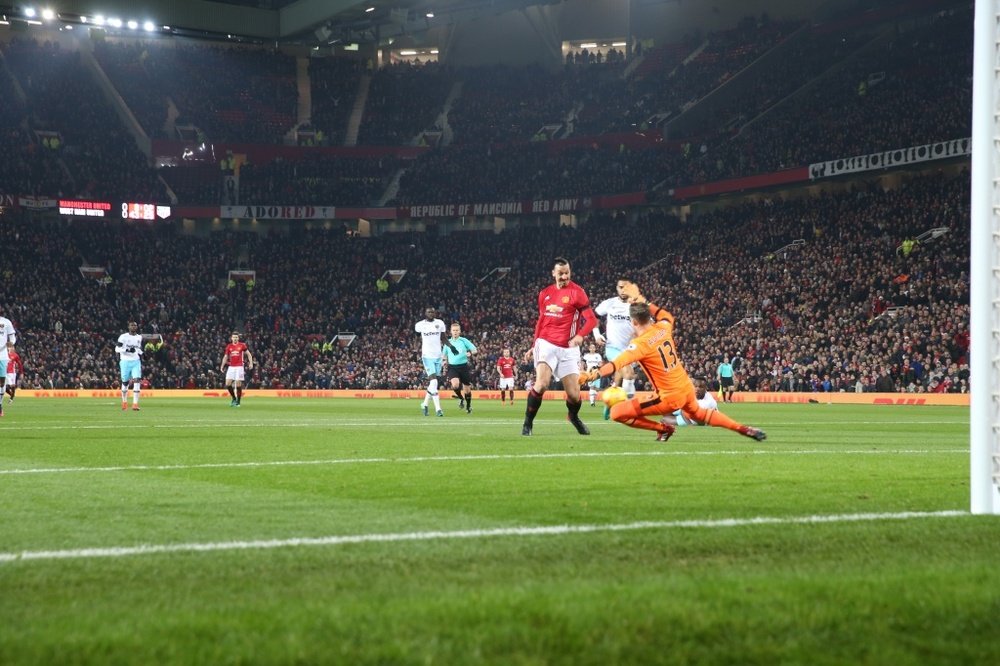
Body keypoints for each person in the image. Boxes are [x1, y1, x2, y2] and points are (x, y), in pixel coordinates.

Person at [579, 284, 766, 442]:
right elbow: (666, 314)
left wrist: (592, 374)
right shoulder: (663, 327)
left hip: (668, 397)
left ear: (634, 322)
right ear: (649, 317)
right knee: (701, 415)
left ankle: (663, 428)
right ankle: (742, 428)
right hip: (686, 387)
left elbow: (616, 364)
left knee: (617, 413)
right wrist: (641, 299)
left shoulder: (640, 344)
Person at [522, 257, 597, 436]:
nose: (564, 276)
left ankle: (573, 416)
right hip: (546, 343)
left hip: (569, 348)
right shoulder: (544, 294)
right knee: (541, 384)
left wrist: (580, 335)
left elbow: (592, 320)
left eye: (567, 273)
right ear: (553, 273)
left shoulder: (577, 292)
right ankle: (527, 424)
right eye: (561, 273)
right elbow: (541, 321)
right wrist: (534, 345)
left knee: (574, 394)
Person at [594, 278, 638, 418]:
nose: (623, 290)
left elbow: (647, 326)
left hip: (631, 349)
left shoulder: (637, 305)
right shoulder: (609, 303)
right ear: (617, 288)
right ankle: (628, 410)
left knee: (618, 381)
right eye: (620, 287)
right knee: (629, 374)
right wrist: (596, 334)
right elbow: (593, 316)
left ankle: (609, 405)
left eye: (626, 287)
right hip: (612, 348)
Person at [415, 306, 456, 416]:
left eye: (433, 312)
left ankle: (424, 404)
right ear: (425, 313)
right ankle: (438, 409)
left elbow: (443, 338)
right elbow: (416, 336)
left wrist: (451, 347)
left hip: (438, 356)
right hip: (427, 356)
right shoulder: (420, 325)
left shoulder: (440, 323)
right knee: (434, 382)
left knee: (433, 384)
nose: (431, 313)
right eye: (429, 312)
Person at [443, 322, 478, 414]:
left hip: (463, 367)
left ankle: (468, 406)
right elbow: (444, 355)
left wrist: (470, 353)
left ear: (460, 331)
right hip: (452, 367)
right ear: (450, 331)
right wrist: (443, 362)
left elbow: (474, 350)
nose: (455, 332)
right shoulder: (448, 343)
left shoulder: (464, 340)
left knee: (467, 389)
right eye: (453, 330)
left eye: (457, 330)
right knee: (455, 385)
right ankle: (461, 398)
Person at [115, 321, 144, 411]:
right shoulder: (123, 337)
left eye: (135, 325)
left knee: (137, 380)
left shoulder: (139, 337)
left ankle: (135, 404)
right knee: (125, 383)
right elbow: (117, 348)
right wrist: (127, 350)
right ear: (128, 327)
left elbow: (137, 349)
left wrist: (143, 354)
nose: (134, 327)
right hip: (125, 361)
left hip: (136, 361)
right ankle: (124, 402)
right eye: (132, 325)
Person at [221, 332, 254, 407]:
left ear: (238, 338)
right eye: (234, 337)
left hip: (239, 366)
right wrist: (222, 365)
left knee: (238, 385)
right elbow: (226, 356)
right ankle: (233, 398)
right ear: (231, 338)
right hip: (231, 367)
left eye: (236, 337)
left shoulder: (242, 345)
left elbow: (248, 354)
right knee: (228, 384)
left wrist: (251, 363)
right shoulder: (229, 346)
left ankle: (238, 402)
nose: (235, 338)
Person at [0, 313, 16, 417]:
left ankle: (0, 405)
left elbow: (13, 338)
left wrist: (10, 345)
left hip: (2, 356)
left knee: (1, 382)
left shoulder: (6, 322)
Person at [582, 343, 603, 407]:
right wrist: (583, 370)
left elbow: (600, 363)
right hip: (589, 373)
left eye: (594, 347)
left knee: (596, 388)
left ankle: (593, 400)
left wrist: (597, 366)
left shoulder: (598, 355)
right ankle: (592, 402)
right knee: (592, 387)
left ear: (595, 348)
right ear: (589, 349)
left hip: (597, 372)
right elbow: (583, 363)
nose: (592, 349)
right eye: (591, 347)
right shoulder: (586, 356)